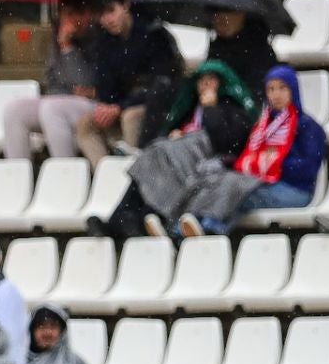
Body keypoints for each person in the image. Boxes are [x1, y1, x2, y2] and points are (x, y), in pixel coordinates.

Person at [90, 60, 255, 242]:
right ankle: (120, 218)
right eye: (202, 80)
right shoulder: (189, 108)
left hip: (204, 161)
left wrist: (211, 109)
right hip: (175, 157)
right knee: (152, 157)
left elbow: (228, 141)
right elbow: (169, 129)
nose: (205, 85)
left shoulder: (232, 109)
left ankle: (134, 218)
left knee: (158, 156)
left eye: (211, 80)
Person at [178, 64, 325, 239]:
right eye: (270, 89)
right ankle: (197, 226)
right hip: (264, 183)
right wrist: (251, 164)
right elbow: (251, 157)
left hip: (294, 190)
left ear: (293, 89)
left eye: (282, 88)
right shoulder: (262, 127)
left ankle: (207, 229)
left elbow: (309, 169)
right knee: (220, 181)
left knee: (238, 191)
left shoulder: (308, 127)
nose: (276, 94)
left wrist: (274, 163)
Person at [75, 0, 180, 163]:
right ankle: (106, 174)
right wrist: (108, 107)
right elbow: (105, 86)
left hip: (154, 105)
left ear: (125, 6)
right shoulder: (105, 43)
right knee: (85, 125)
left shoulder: (153, 34)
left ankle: (134, 177)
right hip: (123, 105)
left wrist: (120, 106)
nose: (107, 20)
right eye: (102, 15)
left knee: (131, 117)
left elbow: (160, 85)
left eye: (111, 11)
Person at [2, 0, 101, 161]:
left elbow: (84, 81)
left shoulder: (100, 37)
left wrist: (68, 48)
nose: (69, 21)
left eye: (74, 14)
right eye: (65, 14)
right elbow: (52, 80)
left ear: (87, 14)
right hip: (64, 99)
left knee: (51, 109)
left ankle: (65, 172)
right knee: (14, 111)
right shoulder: (58, 35)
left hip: (95, 102)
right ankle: (19, 174)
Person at [203, 8, 275, 97]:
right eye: (216, 15)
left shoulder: (259, 49)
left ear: (242, 15)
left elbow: (257, 92)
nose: (219, 19)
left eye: (227, 14)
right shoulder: (216, 48)